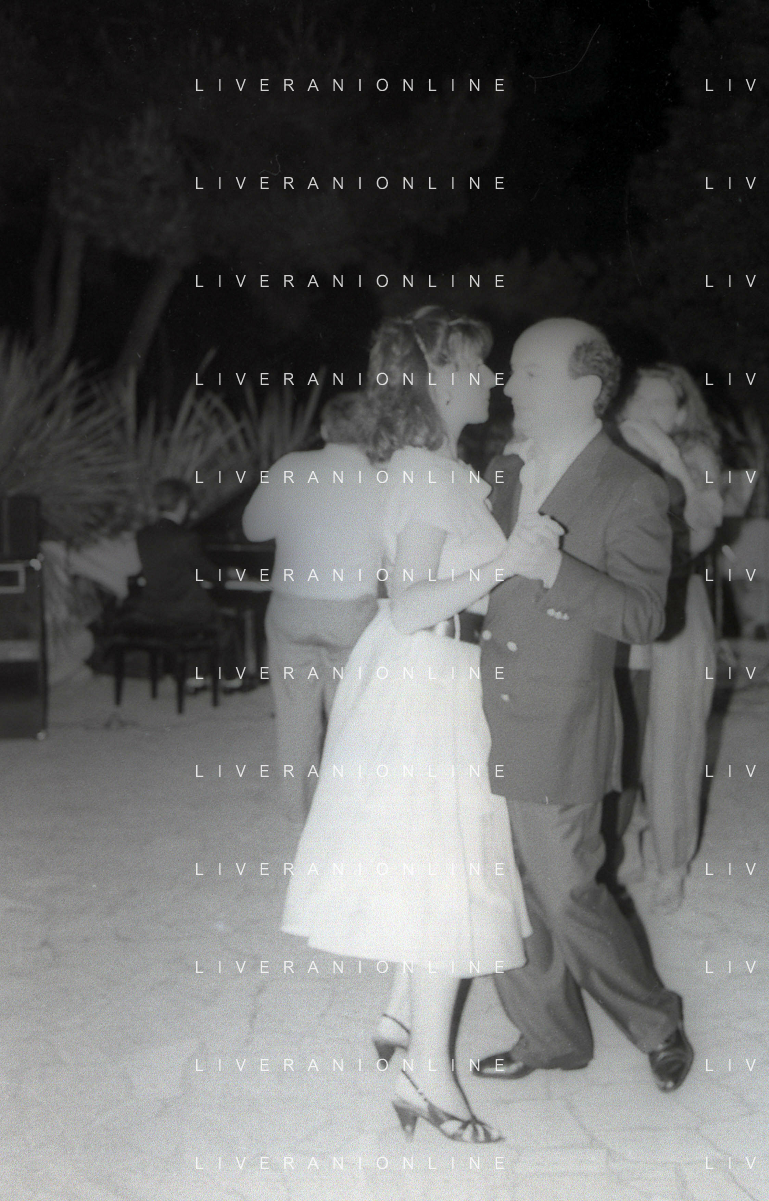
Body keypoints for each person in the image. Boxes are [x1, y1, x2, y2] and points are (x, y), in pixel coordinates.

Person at [281, 306, 559, 1143]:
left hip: (438, 670)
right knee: (447, 869)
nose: (490, 378)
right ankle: (426, 1071)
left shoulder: (437, 466)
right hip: (426, 671)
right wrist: (508, 561)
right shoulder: (430, 474)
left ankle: (403, 1016)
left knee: (435, 858)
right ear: (436, 379)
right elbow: (407, 604)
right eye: (475, 365)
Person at [473, 318, 694, 1091]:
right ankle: (551, 1035)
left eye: (529, 373)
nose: (509, 385)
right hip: (477, 706)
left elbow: (645, 615)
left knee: (567, 888)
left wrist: (556, 571)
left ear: (588, 388)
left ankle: (657, 1022)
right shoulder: (502, 467)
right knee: (505, 882)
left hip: (561, 716)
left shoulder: (633, 486)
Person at [242, 393, 385, 822]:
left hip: (291, 607)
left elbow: (253, 529)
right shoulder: (384, 477)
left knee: (294, 713)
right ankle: (342, 815)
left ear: (324, 429)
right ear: (372, 435)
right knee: (350, 714)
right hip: (352, 611)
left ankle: (297, 811)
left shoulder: (291, 466)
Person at [612, 364, 724, 912]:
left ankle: (671, 861)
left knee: (674, 737)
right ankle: (626, 839)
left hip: (678, 600)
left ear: (682, 412)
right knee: (621, 729)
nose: (651, 413)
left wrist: (672, 463)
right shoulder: (613, 452)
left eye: (664, 403)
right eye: (642, 401)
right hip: (622, 602)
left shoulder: (694, 454)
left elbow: (704, 527)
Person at [127, 477, 239, 687]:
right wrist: (229, 574)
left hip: (153, 610)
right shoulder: (186, 537)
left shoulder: (143, 535)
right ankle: (233, 680)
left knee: (198, 618)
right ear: (182, 503)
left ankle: (194, 678)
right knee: (225, 623)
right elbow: (210, 574)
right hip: (185, 611)